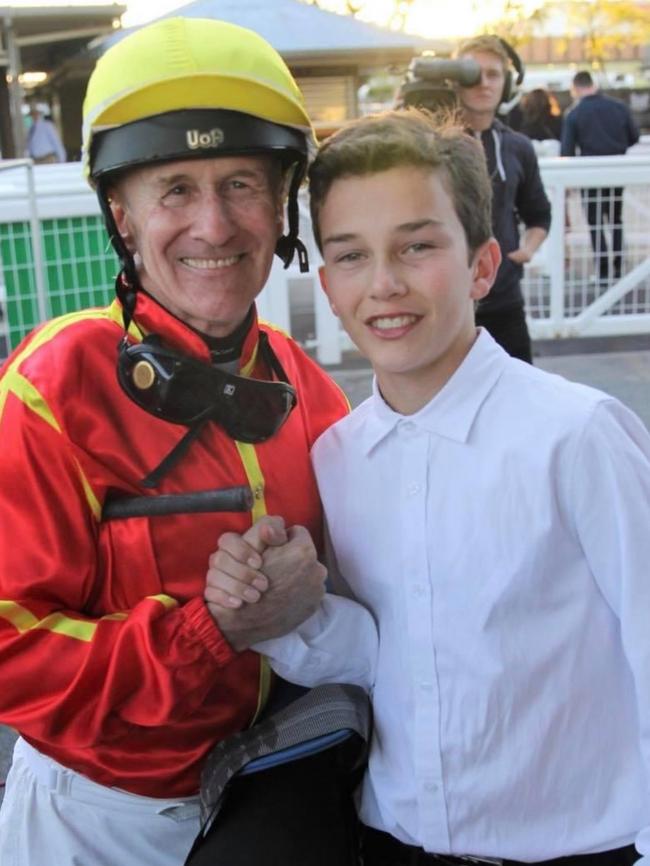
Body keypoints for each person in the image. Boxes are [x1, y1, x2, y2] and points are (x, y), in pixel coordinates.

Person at [208, 108, 650, 866]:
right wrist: (275, 616)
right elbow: (383, 654)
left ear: (482, 265)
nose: (385, 284)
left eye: (417, 246)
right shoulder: (341, 457)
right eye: (352, 256)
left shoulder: (577, 437)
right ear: (329, 285)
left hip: (577, 853)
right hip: (392, 845)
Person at [0, 16, 372, 866]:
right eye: (174, 188)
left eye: (241, 183)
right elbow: (9, 651)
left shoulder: (309, 392)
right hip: (97, 821)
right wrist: (210, 631)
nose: (214, 225)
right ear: (121, 216)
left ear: (280, 206)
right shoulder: (50, 389)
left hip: (277, 789)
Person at [455, 35, 551, 363]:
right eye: (473, 73)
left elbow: (539, 213)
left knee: (519, 402)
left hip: (505, 300)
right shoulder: (430, 145)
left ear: (507, 84)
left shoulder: (518, 147)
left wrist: (526, 251)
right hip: (446, 303)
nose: (484, 83)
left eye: (494, 74)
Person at [561, 70, 640, 285]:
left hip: (590, 174)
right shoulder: (619, 108)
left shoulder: (575, 114)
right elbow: (634, 136)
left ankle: (603, 271)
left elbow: (566, 150)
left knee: (595, 223)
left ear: (576, 87)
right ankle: (618, 266)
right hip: (616, 171)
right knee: (615, 220)